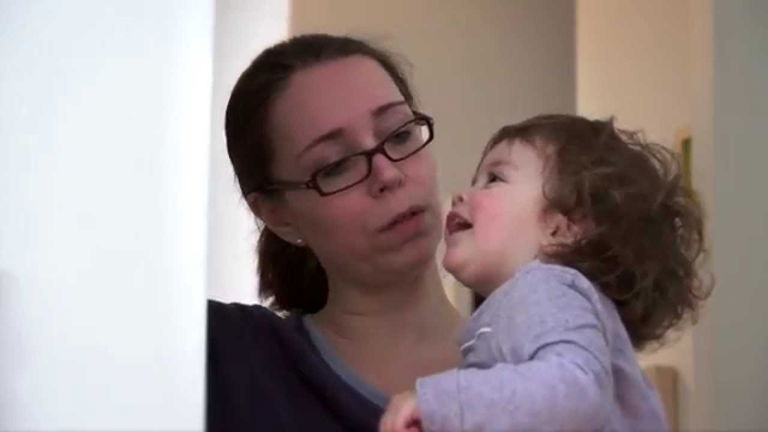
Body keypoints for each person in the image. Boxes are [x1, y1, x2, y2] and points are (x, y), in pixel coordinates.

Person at [379, 114, 709, 432]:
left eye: (494, 179)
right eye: (475, 180)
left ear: (562, 228)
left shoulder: (546, 288)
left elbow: (576, 390)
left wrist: (440, 404)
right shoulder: (535, 300)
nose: (462, 194)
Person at [207, 34, 464, 431]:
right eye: (336, 165)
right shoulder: (231, 362)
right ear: (277, 214)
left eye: (399, 134)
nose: (388, 174)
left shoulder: (549, 362)